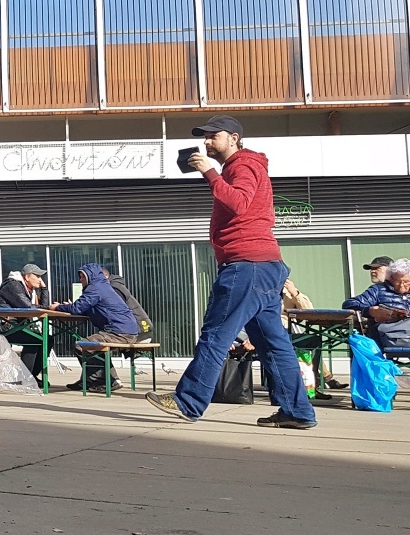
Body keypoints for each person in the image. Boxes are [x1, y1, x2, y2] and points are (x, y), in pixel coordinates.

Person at [146, 116, 317, 429]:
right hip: (265, 266)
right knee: (273, 344)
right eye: (205, 138)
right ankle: (298, 411)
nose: (208, 142)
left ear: (234, 138)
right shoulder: (244, 166)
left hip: (246, 266)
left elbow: (238, 203)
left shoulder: (241, 164)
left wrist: (207, 172)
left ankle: (188, 402)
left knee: (216, 335)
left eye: (214, 136)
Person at [51, 263, 141, 391]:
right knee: (93, 345)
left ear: (90, 276)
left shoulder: (95, 288)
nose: (80, 280)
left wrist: (58, 307)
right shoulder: (102, 286)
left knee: (83, 345)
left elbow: (77, 308)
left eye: (82, 277)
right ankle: (93, 380)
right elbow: (83, 307)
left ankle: (101, 382)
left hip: (120, 333)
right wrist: (73, 306)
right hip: (126, 331)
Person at [343, 258, 410, 354]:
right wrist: (370, 311)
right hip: (387, 337)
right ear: (390, 278)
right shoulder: (378, 290)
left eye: (406, 282)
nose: (402, 285)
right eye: (397, 281)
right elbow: (349, 304)